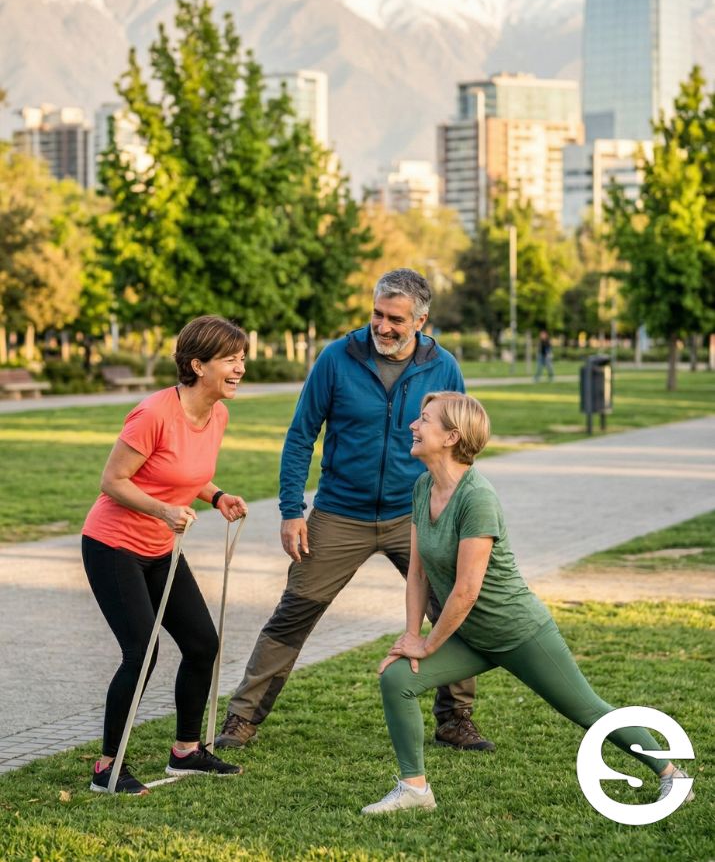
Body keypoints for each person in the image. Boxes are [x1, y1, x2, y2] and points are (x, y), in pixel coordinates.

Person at [362, 391, 695, 813]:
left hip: (517, 630)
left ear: (451, 437)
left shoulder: (476, 497)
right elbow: (418, 573)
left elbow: (466, 590)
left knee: (589, 710)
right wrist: (411, 635)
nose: (414, 425)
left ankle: (672, 775)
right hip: (470, 635)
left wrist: (428, 645)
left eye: (424, 419)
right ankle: (415, 789)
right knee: (397, 680)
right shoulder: (423, 486)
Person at [217, 269, 494, 754]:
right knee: (294, 612)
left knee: (451, 607)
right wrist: (291, 509)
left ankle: (455, 718)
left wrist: (454, 510)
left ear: (422, 320)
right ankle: (242, 717)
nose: (382, 328)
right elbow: (302, 434)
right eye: (377, 315)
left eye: (396, 320)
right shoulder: (337, 358)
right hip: (340, 512)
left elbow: (461, 441)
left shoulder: (443, 366)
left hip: (416, 513)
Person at [82, 315, 249, 794]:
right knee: (142, 650)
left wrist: (216, 497)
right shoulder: (154, 413)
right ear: (198, 365)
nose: (239, 367)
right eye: (229, 359)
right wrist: (163, 510)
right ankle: (107, 768)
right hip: (113, 545)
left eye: (242, 359)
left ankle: (186, 752)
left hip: (159, 549)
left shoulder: (217, 414)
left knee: (202, 644)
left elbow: (186, 473)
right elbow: (112, 482)